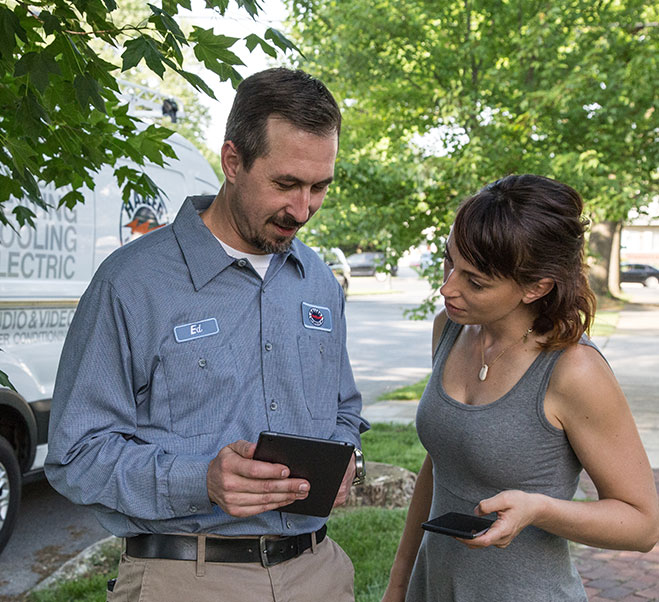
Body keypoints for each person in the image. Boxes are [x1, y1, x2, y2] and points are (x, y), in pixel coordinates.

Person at [45, 67, 369, 602]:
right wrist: (201, 481)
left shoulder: (317, 279)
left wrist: (347, 458)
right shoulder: (132, 283)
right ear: (233, 161)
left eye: (320, 186)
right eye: (286, 184)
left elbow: (345, 412)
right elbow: (76, 454)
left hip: (319, 574)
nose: (303, 209)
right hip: (185, 579)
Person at [382, 174, 659, 601]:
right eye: (448, 261)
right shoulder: (451, 330)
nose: (448, 287)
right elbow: (440, 463)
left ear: (536, 287)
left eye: (475, 281)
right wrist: (398, 586)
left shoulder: (574, 370)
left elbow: (643, 526)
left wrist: (540, 510)